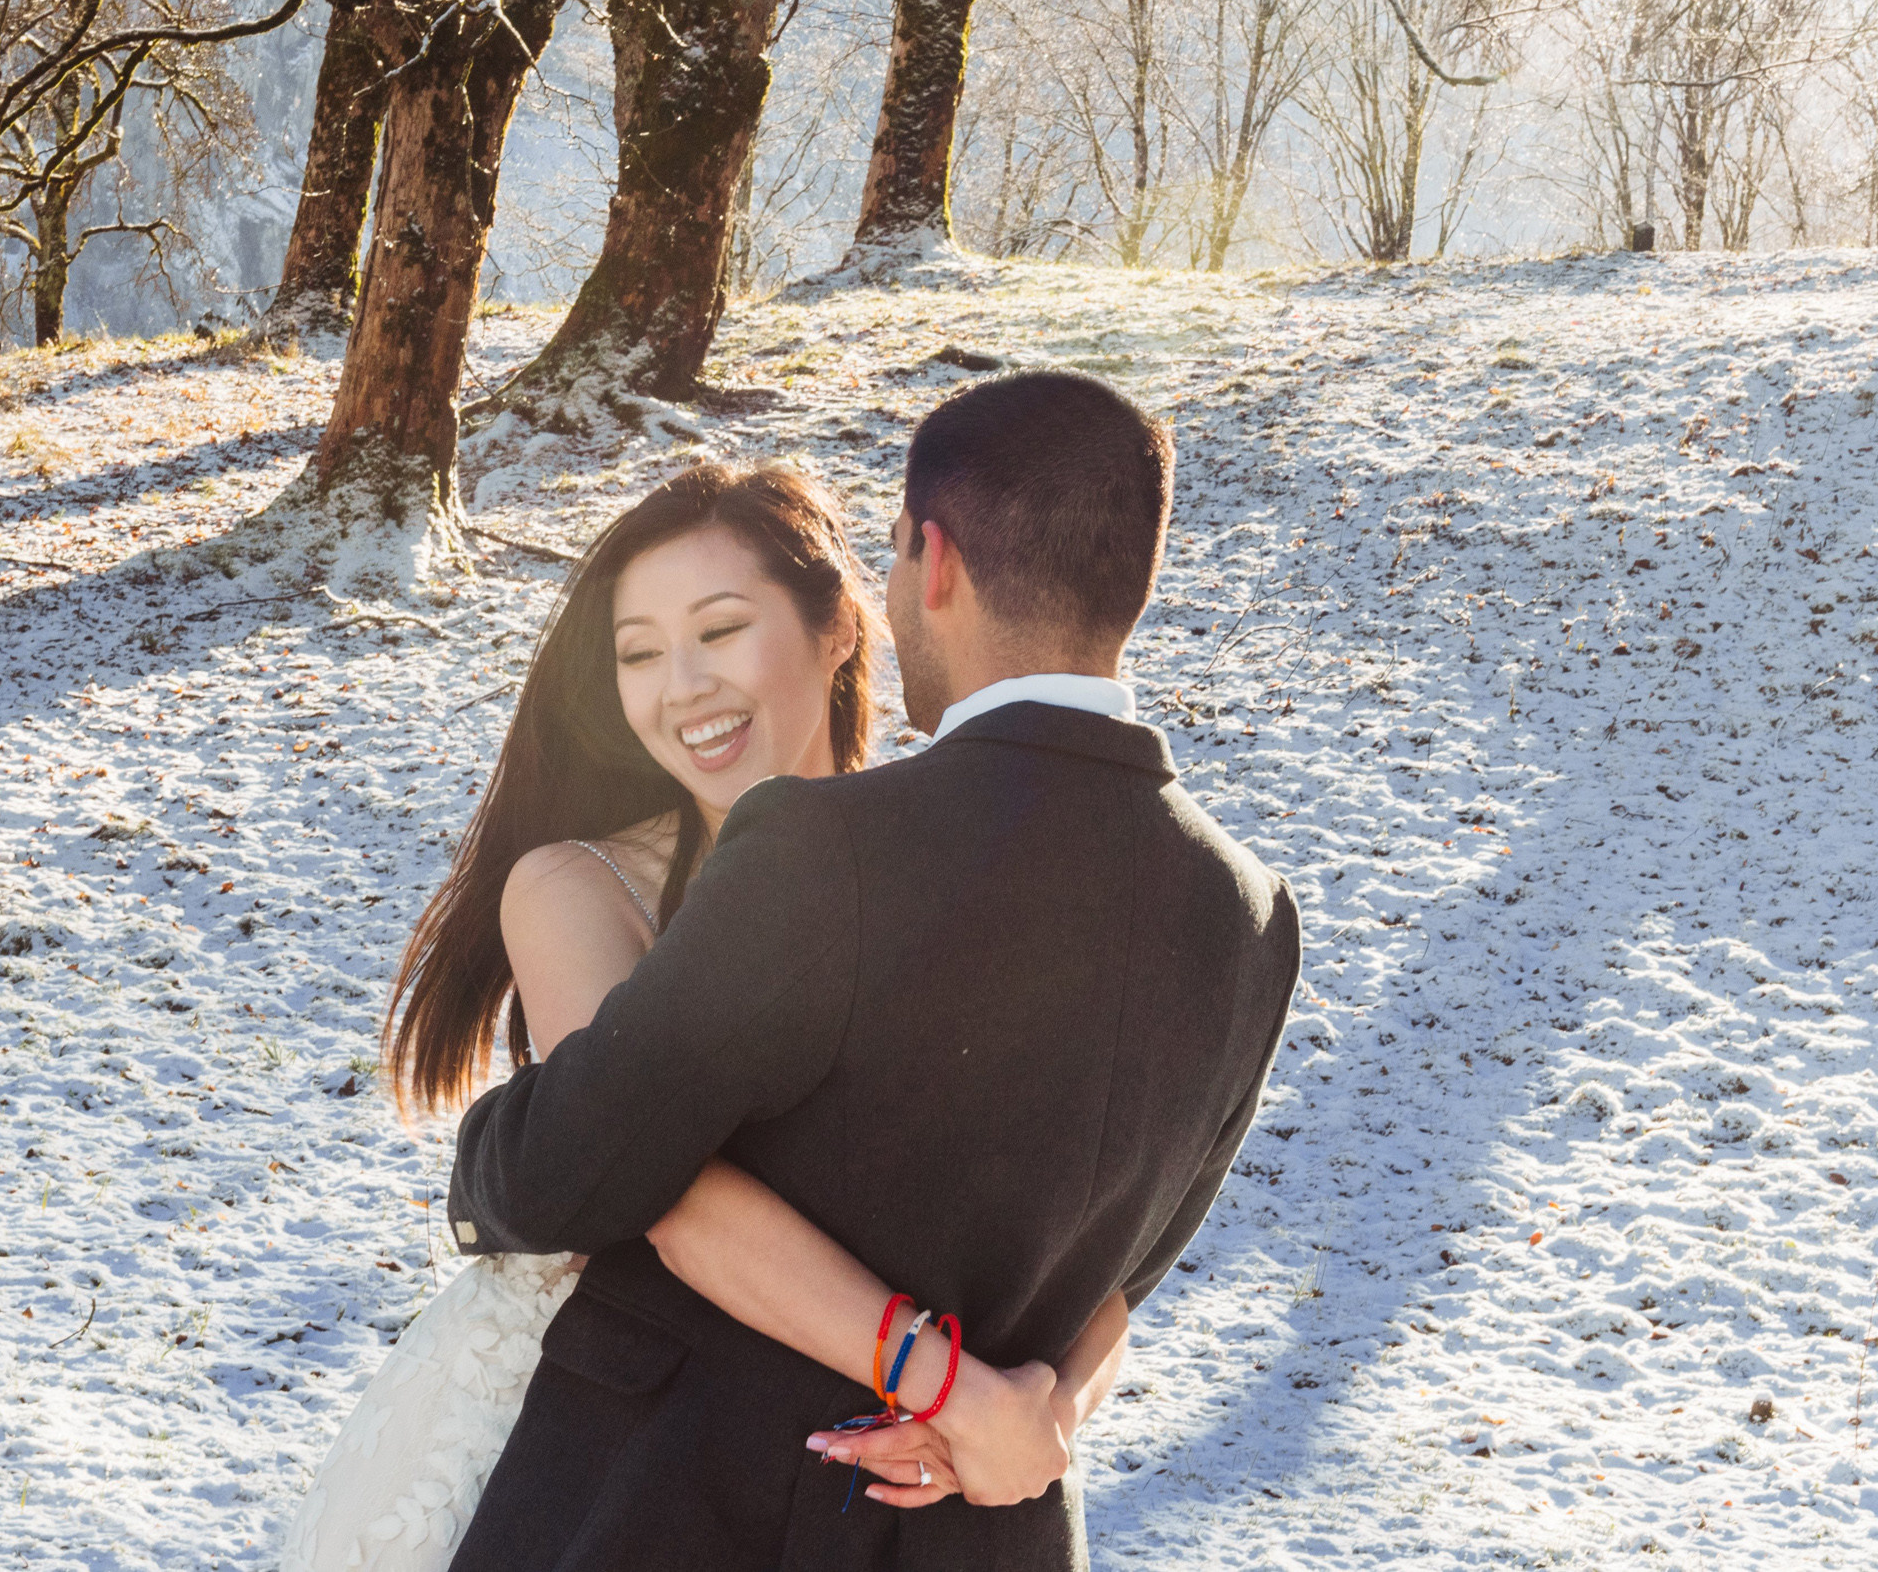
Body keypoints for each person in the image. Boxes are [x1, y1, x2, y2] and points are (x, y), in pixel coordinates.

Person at [445, 371, 1303, 1570]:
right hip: (981, 1530)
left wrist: (490, 1139)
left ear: (928, 559)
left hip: (682, 1510)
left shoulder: (824, 845)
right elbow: (1123, 1279)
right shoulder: (1252, 914)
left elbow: (568, 1173)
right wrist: (1027, 1419)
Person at [281, 464, 1082, 1572]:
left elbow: (1093, 1192)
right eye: (640, 652)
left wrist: (1046, 1404)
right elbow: (658, 1183)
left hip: (872, 1468)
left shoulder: (952, 872)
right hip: (593, 1427)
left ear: (839, 628)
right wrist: (962, 1389)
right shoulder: (576, 888)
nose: (682, 687)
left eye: (719, 630)